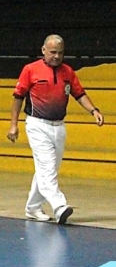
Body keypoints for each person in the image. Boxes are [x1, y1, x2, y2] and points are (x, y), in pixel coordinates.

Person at [8, 34, 104, 223]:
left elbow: (79, 93)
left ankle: (33, 207)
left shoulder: (68, 71)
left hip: (59, 126)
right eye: (52, 52)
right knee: (47, 168)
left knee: (48, 169)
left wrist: (93, 110)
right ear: (43, 50)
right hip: (37, 125)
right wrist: (13, 125)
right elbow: (18, 97)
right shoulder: (30, 70)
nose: (56, 56)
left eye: (60, 53)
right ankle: (59, 206)